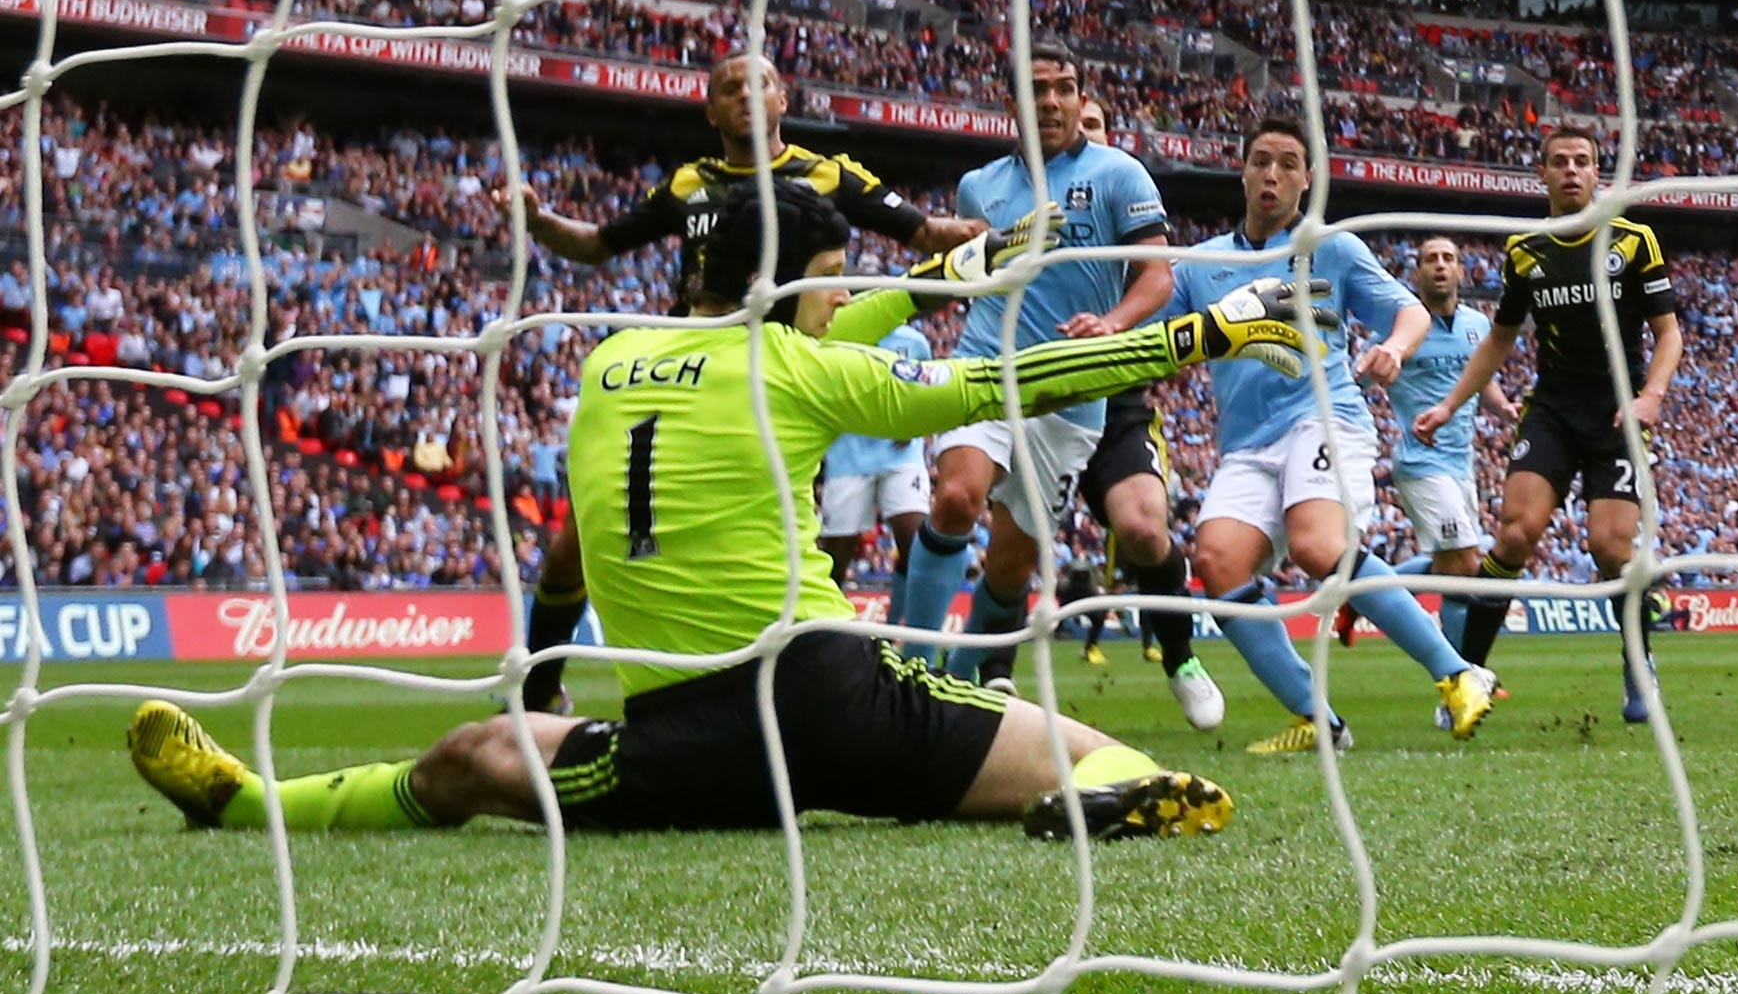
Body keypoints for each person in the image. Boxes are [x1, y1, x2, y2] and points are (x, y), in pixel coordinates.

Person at [127, 182, 1340, 842]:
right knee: (1075, 745)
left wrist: (926, 279)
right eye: (828, 284)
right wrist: (1200, 332)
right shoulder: (800, 370)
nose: (837, 301)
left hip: (683, 746)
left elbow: (795, 341)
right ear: (794, 286)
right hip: (825, 696)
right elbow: (990, 381)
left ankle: (249, 804)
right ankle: (1105, 795)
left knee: (474, 761)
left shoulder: (607, 366)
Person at [503, 50, 982, 714]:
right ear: (710, 110)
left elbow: (925, 230)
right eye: (729, 88)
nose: (745, 96)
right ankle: (536, 691)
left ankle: (812, 675)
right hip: (686, 374)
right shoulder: (686, 184)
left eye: (758, 84)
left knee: (784, 532)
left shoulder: (827, 174)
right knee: (576, 544)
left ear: (783, 99)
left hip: (783, 378)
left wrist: (978, 239)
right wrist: (540, 220)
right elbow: (598, 246)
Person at [1173, 115, 1496, 752]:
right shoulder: (1200, 263)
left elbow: (1407, 312)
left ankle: (1460, 673)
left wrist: (1396, 351)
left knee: (1320, 548)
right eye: (1261, 160)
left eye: (1288, 164)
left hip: (1326, 419)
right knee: (1216, 562)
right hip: (1246, 444)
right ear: (1242, 171)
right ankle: (1318, 721)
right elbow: (1155, 336)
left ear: (1309, 180)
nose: (1272, 174)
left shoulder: (1334, 248)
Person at [896, 44, 1176, 686]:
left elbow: (1157, 277)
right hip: (985, 367)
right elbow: (964, 276)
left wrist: (1112, 325)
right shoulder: (980, 186)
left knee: (1009, 567)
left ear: (1081, 99)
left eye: (1065, 88)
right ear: (1013, 104)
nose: (1051, 100)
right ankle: (907, 673)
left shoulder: (1120, 174)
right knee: (957, 497)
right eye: (1037, 89)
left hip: (1074, 395)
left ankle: (958, 685)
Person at [1413, 127, 1683, 724]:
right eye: (1559, 162)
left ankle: (1639, 667)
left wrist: (1652, 395)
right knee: (1513, 536)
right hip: (1553, 409)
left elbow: (1669, 334)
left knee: (1611, 549)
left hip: (1618, 412)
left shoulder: (1634, 241)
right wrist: (1451, 404)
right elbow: (1501, 339)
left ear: (1597, 175)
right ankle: (1467, 679)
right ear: (1543, 174)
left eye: (1581, 162)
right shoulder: (1525, 250)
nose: (1570, 171)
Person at [969, 96, 1222, 732]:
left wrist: (1116, 328)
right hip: (1036, 389)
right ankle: (992, 675)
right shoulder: (1002, 192)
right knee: (1010, 554)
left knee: (1143, 530)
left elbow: (1163, 286)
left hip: (1116, 400)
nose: (1080, 136)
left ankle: (1181, 658)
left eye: (1093, 126)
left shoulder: (1121, 190)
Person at [1354, 235, 1517, 728]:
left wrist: (1504, 407)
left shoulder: (1474, 325)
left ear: (1462, 271)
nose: (1440, 267)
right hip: (1420, 464)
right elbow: (1360, 376)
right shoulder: (1399, 325)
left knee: (1457, 569)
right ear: (1417, 272)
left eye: (1449, 259)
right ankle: (1459, 684)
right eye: (1430, 260)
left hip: (1461, 465)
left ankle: (1369, 587)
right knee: (1466, 565)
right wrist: (1368, 372)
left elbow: (1481, 377)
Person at [816, 320, 933, 615]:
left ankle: (896, 633)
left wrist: (916, 420)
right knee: (836, 554)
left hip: (901, 455)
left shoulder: (915, 342)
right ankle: (827, 624)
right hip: (848, 457)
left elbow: (928, 388)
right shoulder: (839, 338)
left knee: (915, 544)